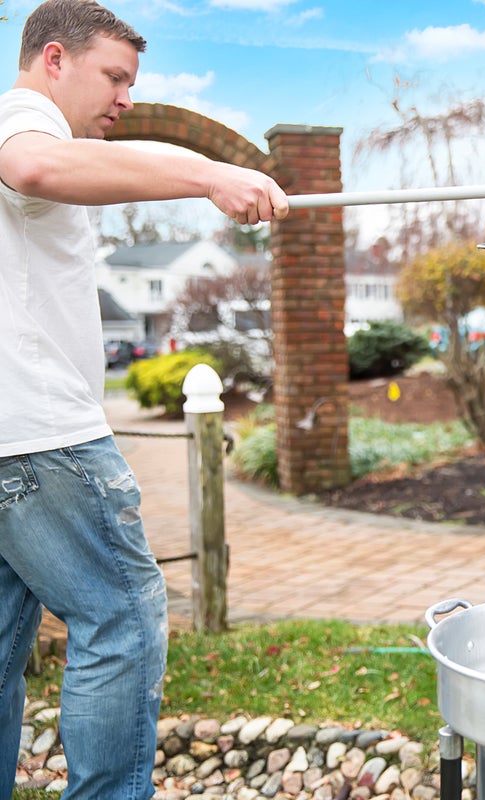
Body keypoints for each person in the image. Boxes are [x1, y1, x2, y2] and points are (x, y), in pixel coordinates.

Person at [0, 1, 288, 797]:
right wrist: (211, 173)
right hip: (40, 440)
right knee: (121, 621)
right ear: (52, 59)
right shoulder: (23, 124)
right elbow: (34, 169)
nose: (125, 97)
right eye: (114, 77)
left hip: (8, 443)